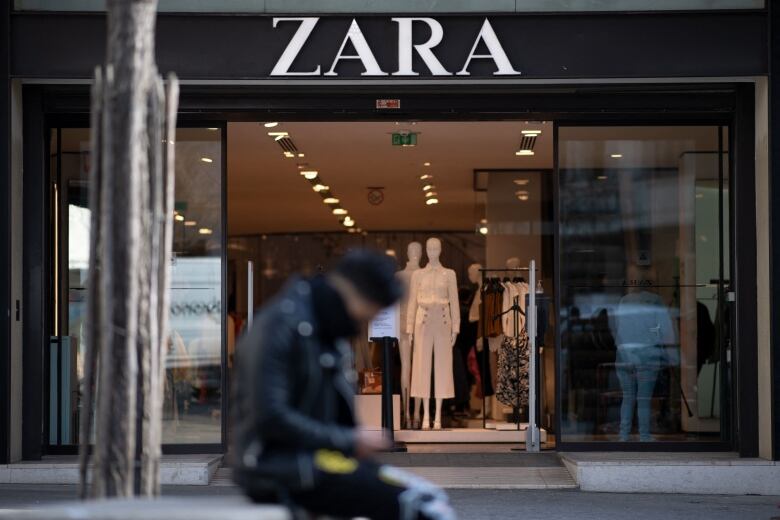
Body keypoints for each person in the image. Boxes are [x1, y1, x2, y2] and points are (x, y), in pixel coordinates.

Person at [232, 249, 455, 520]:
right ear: (354, 295)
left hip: (316, 459)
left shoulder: (323, 328)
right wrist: (349, 439)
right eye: (366, 317)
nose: (364, 326)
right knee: (422, 505)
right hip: (279, 466)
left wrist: (348, 442)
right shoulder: (281, 326)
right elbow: (269, 418)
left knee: (427, 496)